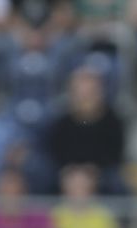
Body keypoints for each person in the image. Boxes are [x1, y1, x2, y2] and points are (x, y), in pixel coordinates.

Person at [46, 66, 128, 195]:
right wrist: (72, 170)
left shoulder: (113, 121)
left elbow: (116, 155)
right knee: (44, 179)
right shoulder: (61, 122)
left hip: (101, 173)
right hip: (68, 172)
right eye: (81, 93)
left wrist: (93, 171)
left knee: (117, 183)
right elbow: (55, 152)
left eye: (90, 93)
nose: (85, 98)